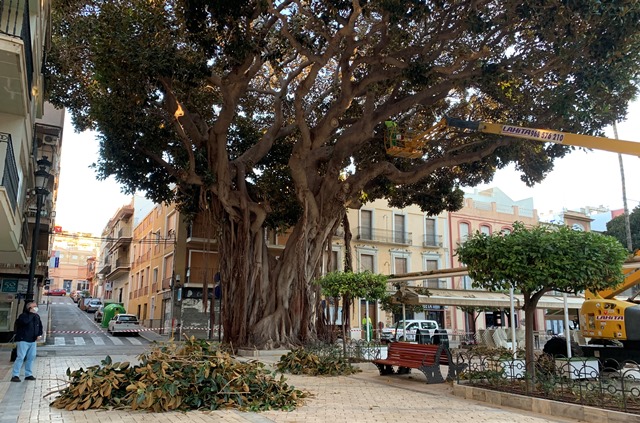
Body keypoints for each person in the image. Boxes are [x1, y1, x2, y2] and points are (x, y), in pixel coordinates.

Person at [11, 301, 43, 382]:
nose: (36, 307)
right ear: (29, 308)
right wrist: (31, 314)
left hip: (32, 340)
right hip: (23, 339)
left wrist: (39, 334)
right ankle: (15, 375)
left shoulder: (36, 316)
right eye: (34, 306)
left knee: (31, 357)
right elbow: (24, 322)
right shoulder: (23, 316)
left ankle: (28, 374)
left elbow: (40, 326)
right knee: (20, 357)